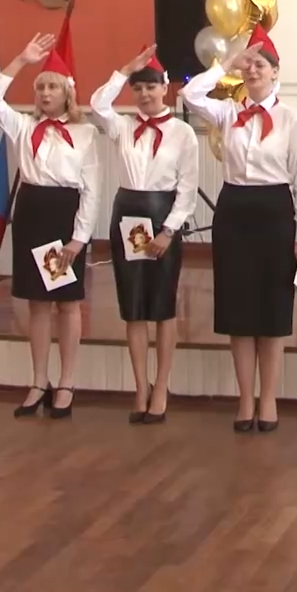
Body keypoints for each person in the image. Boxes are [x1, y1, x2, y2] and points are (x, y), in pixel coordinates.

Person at [178, 25, 297, 433]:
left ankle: (268, 399)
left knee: (272, 311)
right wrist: (225, 65)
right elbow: (189, 94)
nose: (254, 70)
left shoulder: (290, 120)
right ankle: (244, 400)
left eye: (262, 64)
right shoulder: (228, 112)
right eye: (249, 64)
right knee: (237, 309)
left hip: (275, 212)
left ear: (276, 72)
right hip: (234, 211)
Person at [0, 31, 101, 419]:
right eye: (41, 87)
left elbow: (91, 190)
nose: (46, 93)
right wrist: (22, 60)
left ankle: (66, 381)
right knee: (37, 302)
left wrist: (79, 239)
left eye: (53, 86)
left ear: (67, 93)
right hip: (31, 211)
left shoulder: (85, 133)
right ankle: (38, 381)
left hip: (64, 214)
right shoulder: (22, 126)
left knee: (67, 302)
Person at [88, 44, 199, 425]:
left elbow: (187, 189)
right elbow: (97, 103)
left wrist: (169, 230)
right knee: (133, 307)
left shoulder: (183, 133)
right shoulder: (121, 126)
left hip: (162, 214)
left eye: (151, 86)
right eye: (138, 88)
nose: (145, 94)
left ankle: (162, 386)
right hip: (127, 215)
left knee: (162, 306)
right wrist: (124, 70)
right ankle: (140, 387)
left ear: (165, 88)